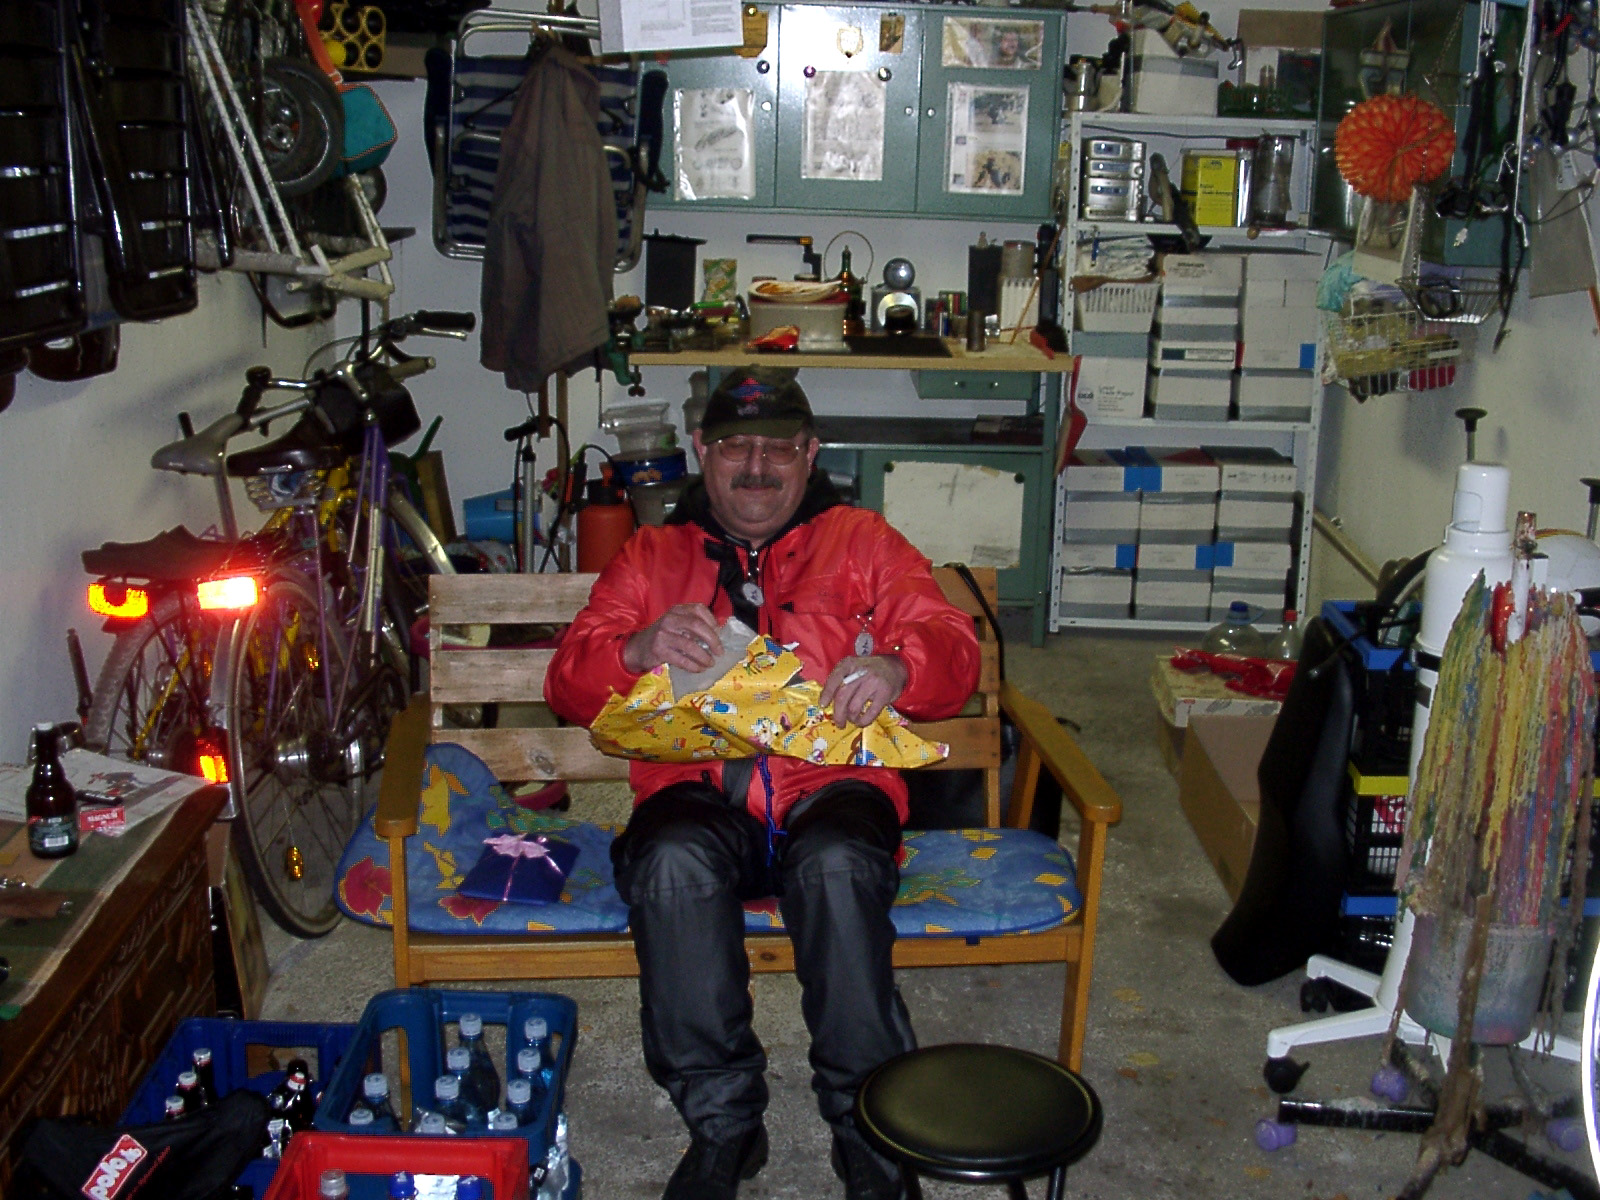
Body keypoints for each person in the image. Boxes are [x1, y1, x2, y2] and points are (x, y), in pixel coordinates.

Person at [545, 366, 981, 1200]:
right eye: (734, 447)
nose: (756, 467)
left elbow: (948, 642)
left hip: (833, 788)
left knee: (839, 868)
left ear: (810, 454)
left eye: (778, 449)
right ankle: (723, 1125)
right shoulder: (651, 555)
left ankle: (869, 1127)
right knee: (669, 863)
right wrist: (633, 650)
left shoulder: (863, 541)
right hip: (695, 790)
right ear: (700, 450)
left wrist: (900, 667)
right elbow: (567, 682)